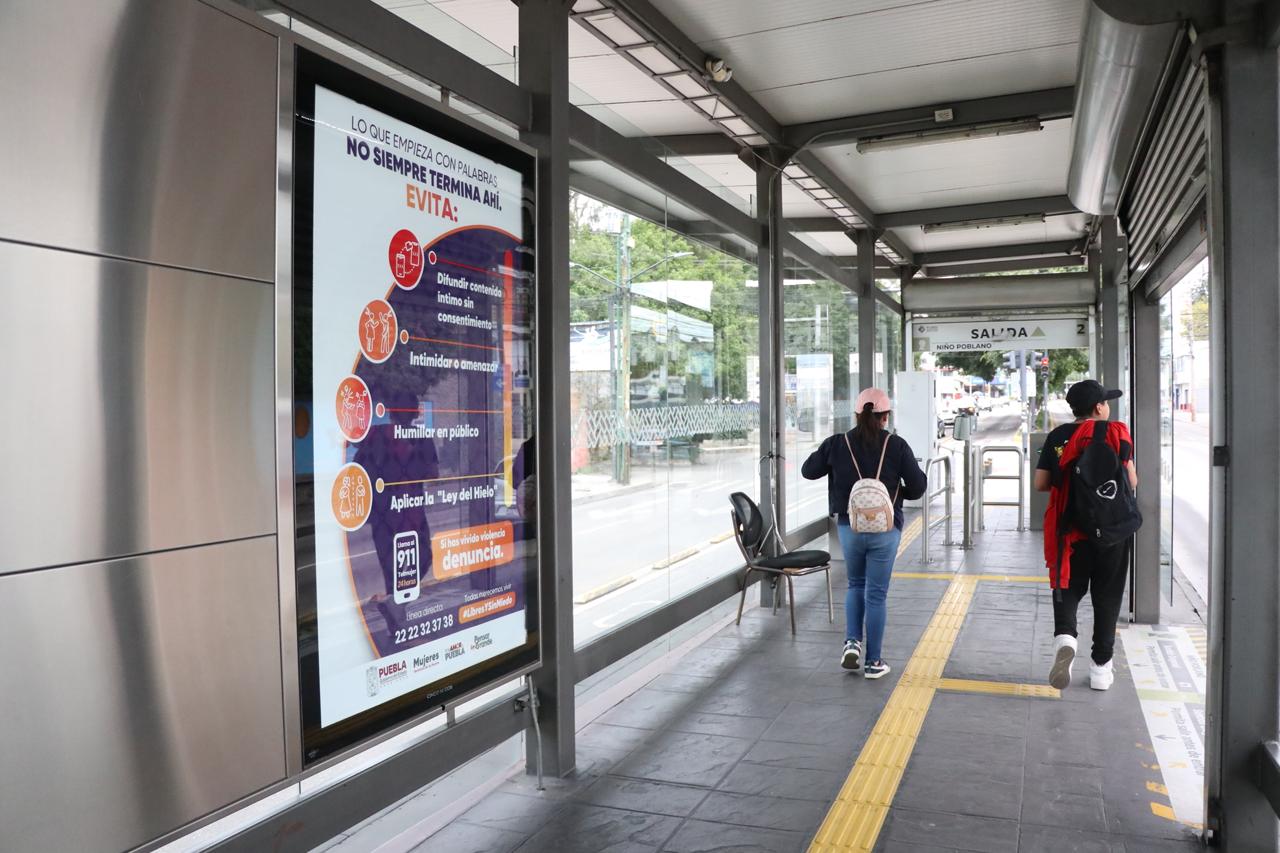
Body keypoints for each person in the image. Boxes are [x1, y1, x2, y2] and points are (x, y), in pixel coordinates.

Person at [802, 388, 927, 679]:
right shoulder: (896, 445)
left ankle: (852, 643)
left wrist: (829, 455)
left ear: (857, 414)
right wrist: (897, 494)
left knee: (855, 584)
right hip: (886, 529)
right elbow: (918, 486)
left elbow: (809, 471)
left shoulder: (838, 443)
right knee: (877, 594)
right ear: (885, 416)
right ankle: (874, 662)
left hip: (851, 527)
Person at [1034, 379, 1139, 691]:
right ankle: (1101, 669)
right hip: (1112, 532)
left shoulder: (1057, 437)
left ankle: (1066, 637)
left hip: (1071, 531)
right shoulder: (1116, 433)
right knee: (1107, 597)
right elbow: (1131, 481)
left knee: (1068, 586)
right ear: (1098, 407)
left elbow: (1041, 483)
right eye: (1105, 402)